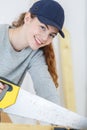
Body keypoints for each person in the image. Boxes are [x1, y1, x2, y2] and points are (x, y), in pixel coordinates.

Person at [0, 0, 65, 104]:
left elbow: (46, 91)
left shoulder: (34, 55)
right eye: (43, 27)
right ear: (27, 18)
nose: (45, 38)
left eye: (51, 35)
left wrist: (58, 115)